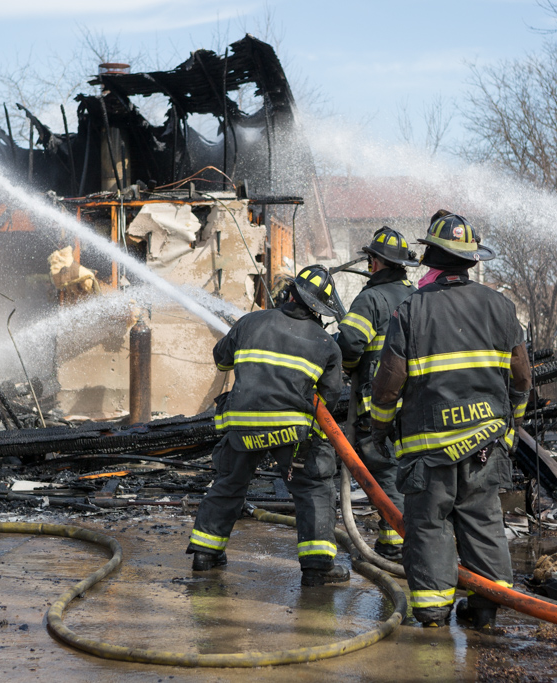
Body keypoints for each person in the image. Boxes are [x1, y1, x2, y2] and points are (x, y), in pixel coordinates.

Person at [370, 212, 532, 628]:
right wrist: (510, 426)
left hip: (430, 449)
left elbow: (389, 384)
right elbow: (522, 377)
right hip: (485, 444)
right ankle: (487, 607)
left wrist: (380, 428)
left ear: (431, 257)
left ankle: (432, 610)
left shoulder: (411, 311)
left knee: (428, 526)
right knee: (483, 520)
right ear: (472, 260)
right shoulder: (501, 307)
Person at [186, 264, 350, 587]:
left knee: (229, 482)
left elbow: (221, 360)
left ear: (290, 294)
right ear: (321, 311)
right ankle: (317, 567)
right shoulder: (327, 345)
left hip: (241, 425)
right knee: (314, 485)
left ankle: (205, 554)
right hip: (293, 431)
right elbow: (329, 399)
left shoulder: (250, 322)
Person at [334, 226, 417, 560]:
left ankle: (395, 544)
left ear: (378, 262)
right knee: (407, 470)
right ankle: (398, 538)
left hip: (379, 400)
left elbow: (350, 342)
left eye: (371, 259)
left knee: (384, 471)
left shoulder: (372, 298)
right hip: (416, 400)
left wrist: (350, 366)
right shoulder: (418, 296)